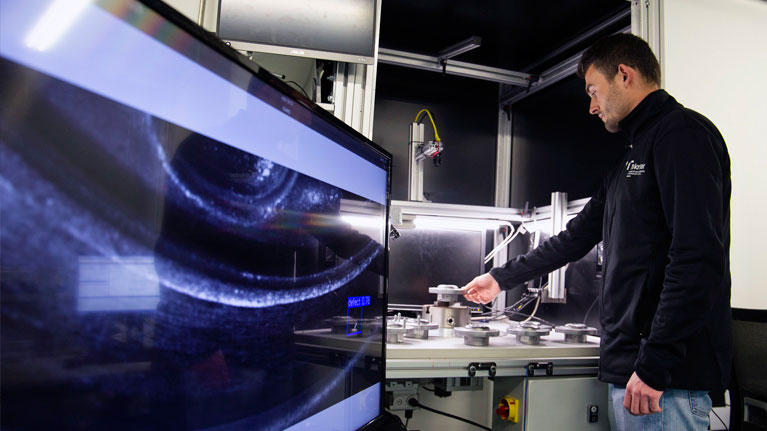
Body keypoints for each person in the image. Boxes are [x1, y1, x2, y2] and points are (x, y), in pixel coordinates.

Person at [463, 33, 731, 431]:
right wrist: (500, 278)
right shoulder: (629, 158)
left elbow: (698, 256)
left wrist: (657, 363)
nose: (591, 106)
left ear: (624, 74)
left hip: (664, 381)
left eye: (594, 91)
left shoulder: (682, 134)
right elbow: (574, 238)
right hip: (633, 371)